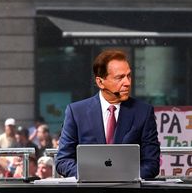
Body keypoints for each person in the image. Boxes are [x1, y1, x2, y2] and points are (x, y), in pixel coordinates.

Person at [55, 49, 160, 179]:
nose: (127, 83)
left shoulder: (143, 112)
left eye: (129, 76)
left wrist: (124, 177)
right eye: (119, 77)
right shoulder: (76, 112)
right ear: (100, 82)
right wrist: (92, 176)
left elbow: (152, 163)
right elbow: (63, 160)